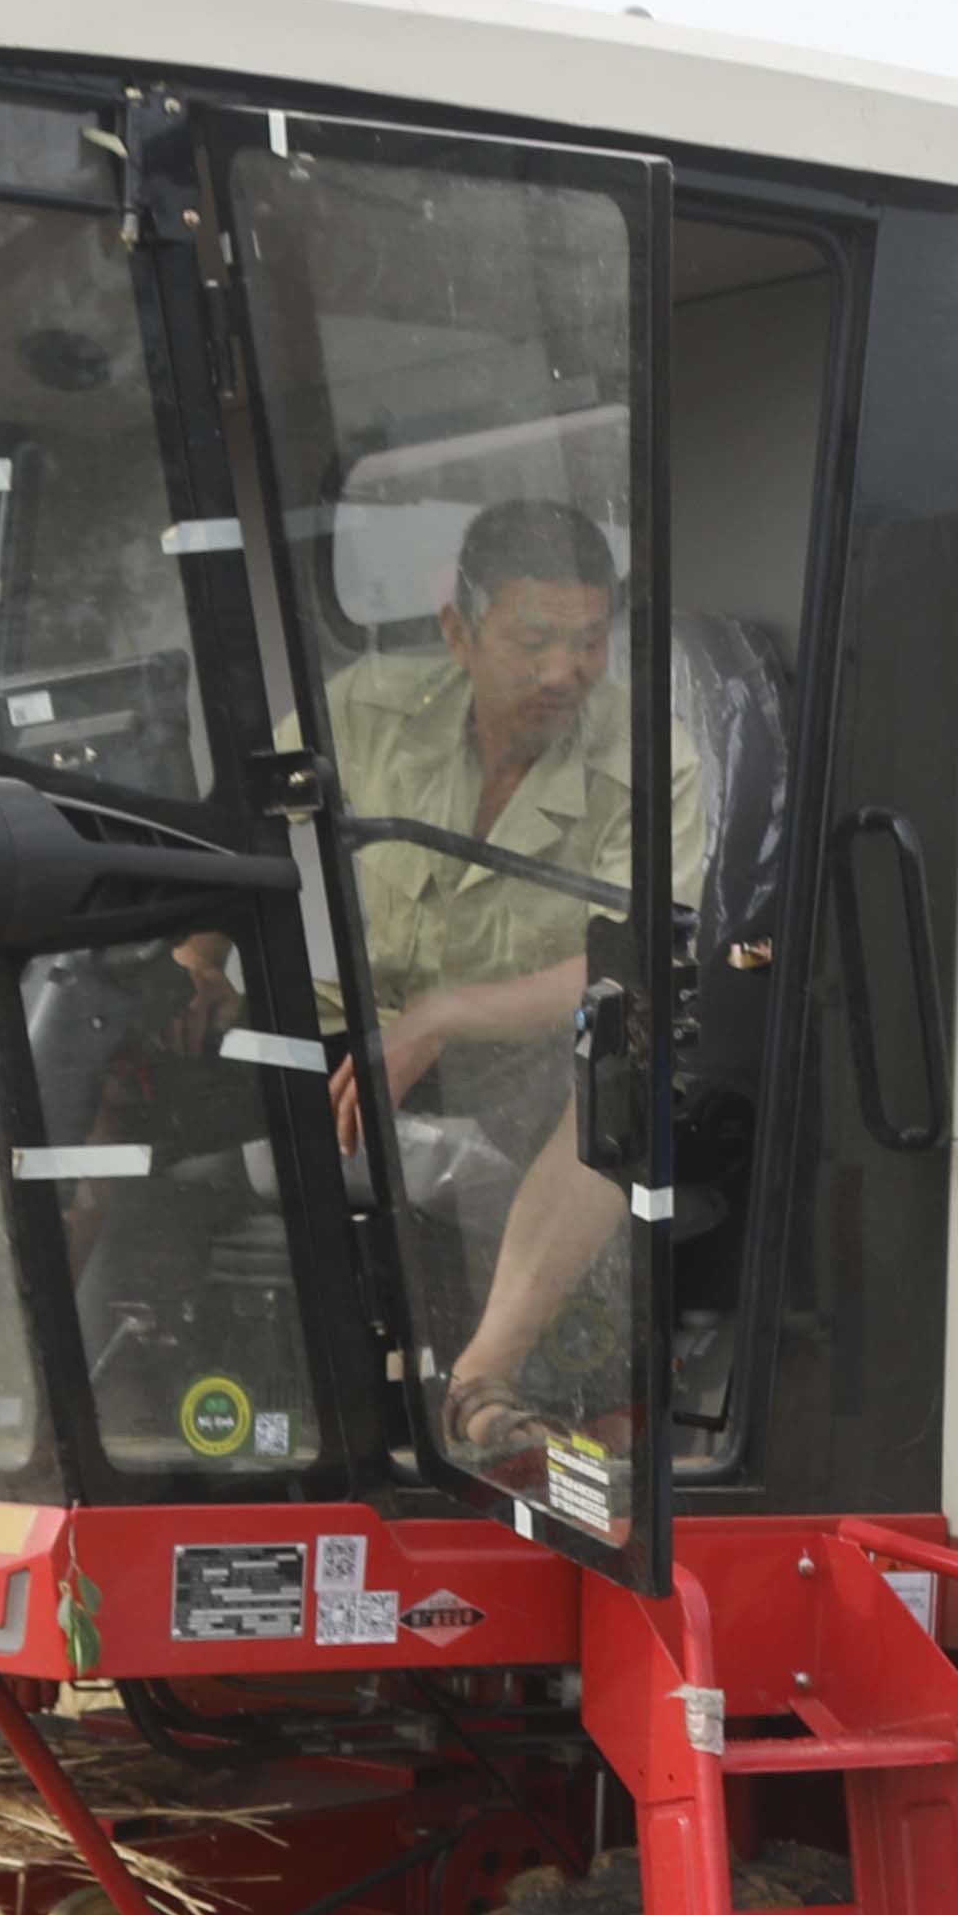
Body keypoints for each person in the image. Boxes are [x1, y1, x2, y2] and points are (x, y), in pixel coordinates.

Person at [319, 498, 705, 1473]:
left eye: (588, 642)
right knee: (111, 1034)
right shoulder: (364, 712)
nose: (564, 672)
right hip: (349, 1028)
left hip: (516, 1055)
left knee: (622, 1080)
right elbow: (238, 823)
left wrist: (444, 1016)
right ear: (459, 630)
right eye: (534, 641)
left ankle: (478, 1386)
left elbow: (635, 961)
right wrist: (199, 960)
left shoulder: (655, 763)